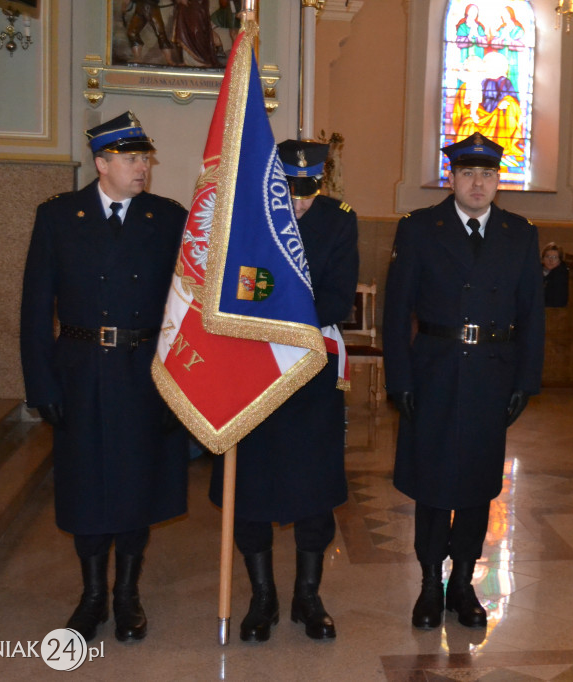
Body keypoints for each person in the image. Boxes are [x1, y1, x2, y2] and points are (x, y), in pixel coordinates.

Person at [19, 111, 189, 643]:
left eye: (145, 158)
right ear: (102, 163)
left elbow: (184, 306)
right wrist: (41, 386)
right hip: (80, 370)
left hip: (144, 371)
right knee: (87, 486)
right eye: (133, 159)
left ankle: (127, 594)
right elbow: (33, 309)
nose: (144, 167)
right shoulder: (58, 216)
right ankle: (93, 594)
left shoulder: (167, 218)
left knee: (138, 483)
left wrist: (177, 384)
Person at [383, 133, 544, 630]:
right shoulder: (419, 229)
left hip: (491, 373)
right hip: (434, 369)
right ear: (451, 178)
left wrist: (526, 380)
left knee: (477, 484)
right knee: (432, 482)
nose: (479, 183)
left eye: (489, 175)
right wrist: (400, 379)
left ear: (500, 181)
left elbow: (532, 313)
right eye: (469, 174)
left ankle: (463, 583)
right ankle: (430, 583)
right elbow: (396, 312)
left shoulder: (520, 233)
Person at [208, 140, 359, 643]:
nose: (298, 201)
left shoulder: (339, 221)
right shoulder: (249, 216)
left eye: (308, 189)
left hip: (310, 374)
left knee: (313, 489)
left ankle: (307, 597)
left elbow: (337, 299)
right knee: (250, 487)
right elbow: (234, 288)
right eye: (289, 190)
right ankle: (263, 598)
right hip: (253, 371)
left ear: (322, 181)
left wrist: (277, 313)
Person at [541, 242, 569, 307]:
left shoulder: (562, 276)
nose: (550, 260)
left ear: (560, 260)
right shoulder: (536, 272)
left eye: (554, 257)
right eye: (547, 256)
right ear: (542, 259)